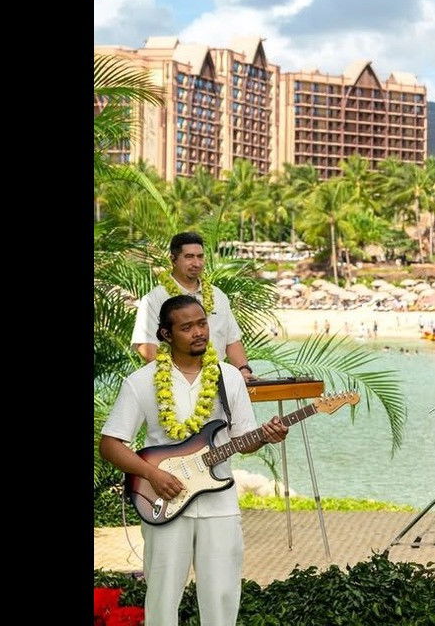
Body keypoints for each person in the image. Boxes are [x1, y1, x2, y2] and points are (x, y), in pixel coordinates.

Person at [101, 295, 288, 626]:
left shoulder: (228, 377)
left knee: (222, 595)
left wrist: (265, 435)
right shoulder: (142, 381)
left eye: (202, 323)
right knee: (162, 595)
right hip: (163, 500)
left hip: (219, 505)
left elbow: (245, 440)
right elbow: (111, 444)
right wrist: (151, 474)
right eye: (187, 327)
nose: (199, 332)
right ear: (166, 334)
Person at [132, 232, 256, 380]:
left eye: (200, 256)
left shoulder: (218, 296)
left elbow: (232, 340)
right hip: (173, 383)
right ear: (173, 260)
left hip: (217, 380)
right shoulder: (154, 299)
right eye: (189, 257)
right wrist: (180, 379)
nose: (196, 263)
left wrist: (243, 370)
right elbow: (146, 345)